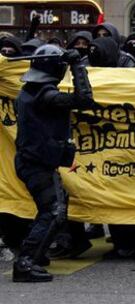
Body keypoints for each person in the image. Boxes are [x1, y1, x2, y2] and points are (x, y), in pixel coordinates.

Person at [12, 45, 98, 282]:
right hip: (37, 165)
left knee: (55, 209)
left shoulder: (29, 91)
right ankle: (26, 262)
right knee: (52, 211)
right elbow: (85, 100)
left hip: (34, 163)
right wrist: (77, 66)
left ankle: (35, 256)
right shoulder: (45, 95)